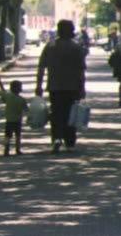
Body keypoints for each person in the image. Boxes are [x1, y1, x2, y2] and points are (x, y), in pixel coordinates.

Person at [35, 19, 86, 153]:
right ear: (71, 31)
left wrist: (38, 85)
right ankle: (70, 141)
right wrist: (82, 87)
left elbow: (41, 67)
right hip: (72, 86)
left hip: (54, 86)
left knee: (56, 113)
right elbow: (81, 70)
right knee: (71, 114)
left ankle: (56, 138)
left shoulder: (50, 46)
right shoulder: (76, 47)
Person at [0, 80, 30, 156]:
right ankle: (18, 149)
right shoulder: (21, 100)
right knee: (18, 135)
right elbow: (26, 109)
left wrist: (3, 91)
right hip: (17, 120)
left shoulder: (8, 96)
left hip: (9, 120)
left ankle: (6, 149)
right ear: (19, 89)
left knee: (7, 136)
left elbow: (0, 94)